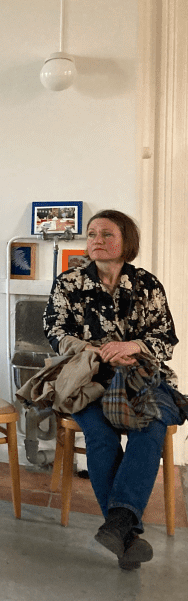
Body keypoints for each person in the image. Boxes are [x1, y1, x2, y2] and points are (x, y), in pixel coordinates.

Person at [44, 209, 187, 570]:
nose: (97, 240)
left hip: (141, 376)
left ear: (126, 241)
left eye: (107, 234)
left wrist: (132, 347)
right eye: (92, 234)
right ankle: (127, 534)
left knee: (151, 425)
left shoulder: (147, 285)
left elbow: (165, 339)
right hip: (88, 379)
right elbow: (55, 332)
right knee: (101, 435)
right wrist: (95, 351)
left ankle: (119, 523)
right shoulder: (68, 283)